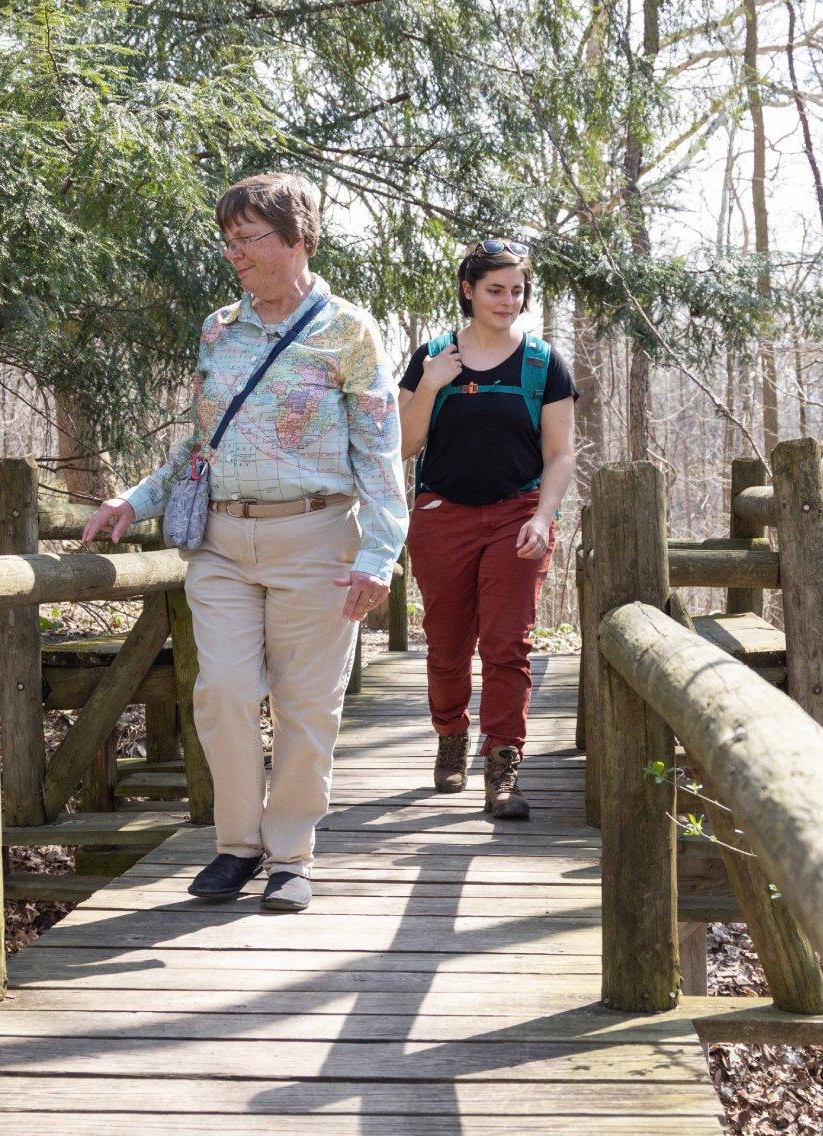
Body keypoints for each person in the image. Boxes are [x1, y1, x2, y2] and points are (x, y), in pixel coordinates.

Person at [81, 172, 407, 914]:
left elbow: (381, 453)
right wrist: (137, 498)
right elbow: (199, 441)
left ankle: (291, 851)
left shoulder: (347, 330)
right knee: (222, 690)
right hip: (223, 539)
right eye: (228, 240)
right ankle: (237, 843)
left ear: (298, 239)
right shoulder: (218, 329)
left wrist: (378, 554)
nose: (236, 253)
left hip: (319, 537)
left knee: (305, 705)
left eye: (249, 238)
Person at [397, 238, 577, 819]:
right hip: (441, 516)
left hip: (516, 515)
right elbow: (404, 446)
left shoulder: (543, 364)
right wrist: (430, 384)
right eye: (494, 289)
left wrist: (543, 516)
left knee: (507, 644)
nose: (507, 300)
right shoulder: (431, 356)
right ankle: (452, 737)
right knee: (448, 645)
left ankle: (503, 769)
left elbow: (561, 453)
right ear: (468, 290)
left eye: (517, 290)